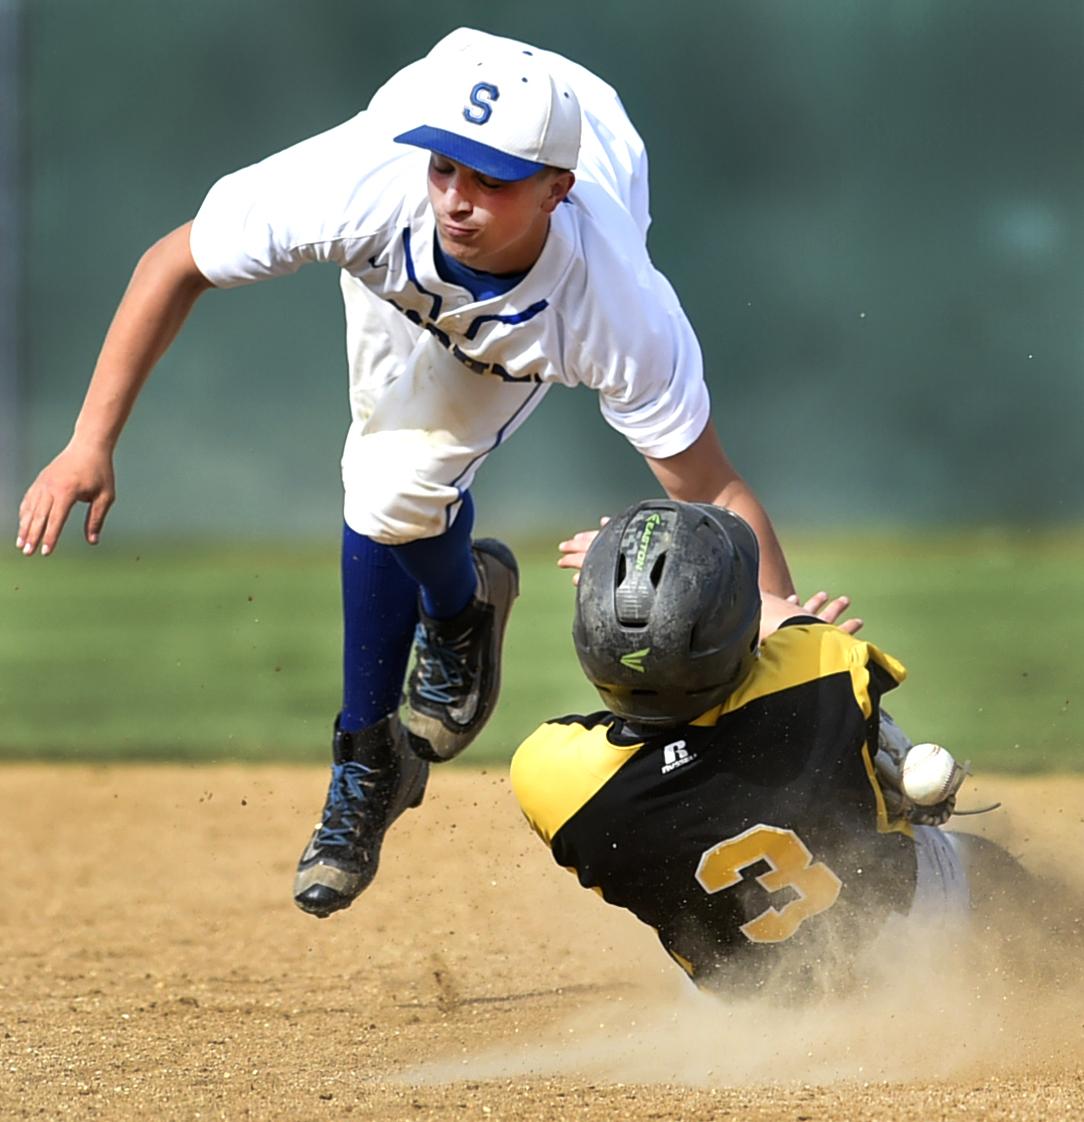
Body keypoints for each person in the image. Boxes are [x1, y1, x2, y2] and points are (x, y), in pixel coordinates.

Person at [17, 29, 800, 921]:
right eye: (446, 170)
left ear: (556, 190)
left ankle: (377, 742)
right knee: (385, 488)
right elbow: (173, 264)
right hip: (412, 218)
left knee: (391, 490)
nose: (459, 201)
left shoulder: (615, 305)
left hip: (552, 227)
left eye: (491, 182)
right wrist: (90, 439)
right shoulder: (365, 184)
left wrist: (778, 613)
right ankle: (450, 629)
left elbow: (708, 486)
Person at [511, 500, 981, 996]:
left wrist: (631, 602)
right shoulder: (822, 670)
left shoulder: (549, 780)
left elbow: (676, 745)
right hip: (912, 945)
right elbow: (781, 618)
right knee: (984, 870)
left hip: (750, 1009)